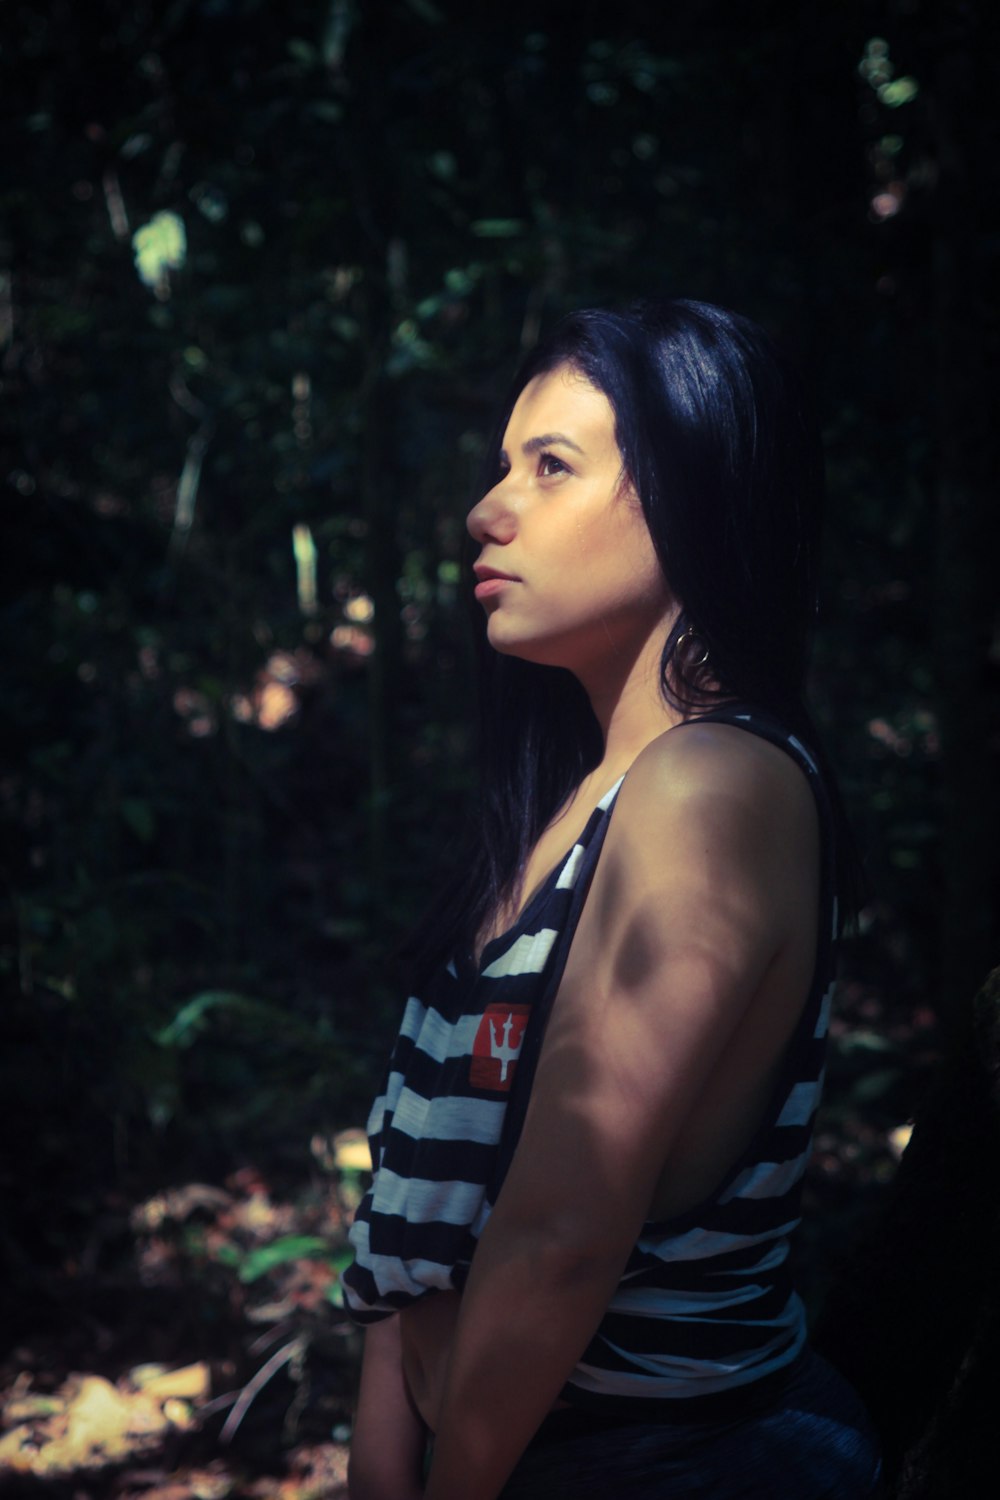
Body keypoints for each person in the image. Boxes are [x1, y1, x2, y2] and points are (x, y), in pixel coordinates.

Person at [341, 300, 883, 1499]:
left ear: (693, 497)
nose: (488, 510)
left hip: (684, 1468)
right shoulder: (569, 807)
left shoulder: (709, 787)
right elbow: (415, 1220)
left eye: (552, 467)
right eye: (500, 467)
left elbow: (562, 1238)